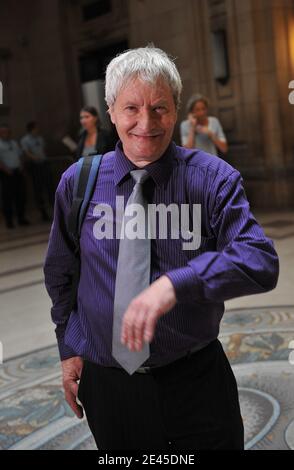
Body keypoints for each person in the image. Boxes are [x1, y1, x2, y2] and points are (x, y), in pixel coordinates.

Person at [43, 46, 279, 450]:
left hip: (196, 381)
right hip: (110, 385)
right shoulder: (79, 183)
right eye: (131, 108)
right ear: (111, 110)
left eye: (159, 108)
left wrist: (176, 283)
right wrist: (69, 347)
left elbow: (260, 259)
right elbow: (59, 273)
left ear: (176, 109)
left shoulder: (212, 179)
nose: (145, 123)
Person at [21, 121, 54, 222]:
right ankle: (43, 213)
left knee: (50, 188)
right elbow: (26, 152)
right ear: (31, 129)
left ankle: (54, 210)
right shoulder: (25, 140)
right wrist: (36, 158)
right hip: (35, 166)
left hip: (44, 164)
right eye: (36, 128)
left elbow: (43, 149)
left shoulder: (40, 138)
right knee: (38, 190)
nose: (38, 130)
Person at [0, 124, 30, 228]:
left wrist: (21, 165)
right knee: (8, 198)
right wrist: (6, 170)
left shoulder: (14, 143)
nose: (6, 134)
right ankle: (9, 221)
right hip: (7, 174)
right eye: (3, 132)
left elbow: (20, 155)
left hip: (18, 172)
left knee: (20, 196)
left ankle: (21, 218)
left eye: (7, 132)